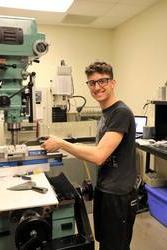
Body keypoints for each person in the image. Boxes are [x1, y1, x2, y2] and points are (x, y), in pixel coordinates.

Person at [41, 61, 137, 250]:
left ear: (113, 83)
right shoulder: (106, 114)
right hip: (105, 190)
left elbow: (99, 155)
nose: (97, 87)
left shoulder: (121, 113)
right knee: (105, 242)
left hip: (118, 196)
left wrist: (61, 143)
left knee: (116, 246)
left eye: (102, 81)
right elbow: (101, 148)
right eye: (92, 83)